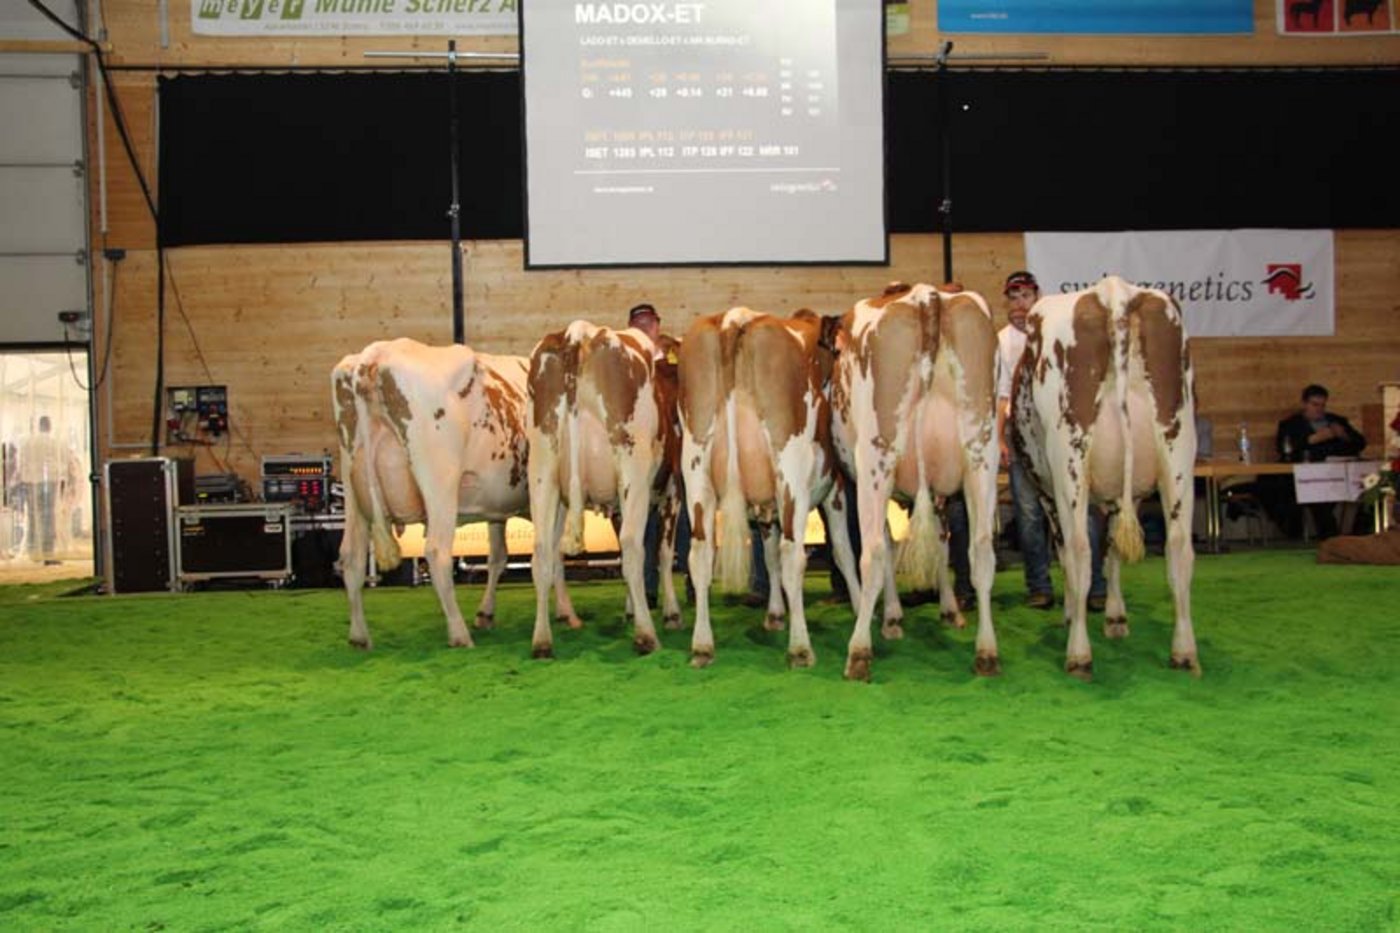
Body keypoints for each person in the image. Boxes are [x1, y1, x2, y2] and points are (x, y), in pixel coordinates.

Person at [995, 271, 1106, 611]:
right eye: (1013, 299)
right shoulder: (1001, 342)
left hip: (1066, 437)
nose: (1019, 305)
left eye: (1025, 296)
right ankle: (1039, 586)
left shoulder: (1060, 329)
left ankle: (1094, 584)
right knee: (1028, 517)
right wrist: (1000, 437)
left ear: (1038, 296)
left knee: (1082, 510)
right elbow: (1001, 396)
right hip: (1021, 440)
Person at [620, 303, 691, 605]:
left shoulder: (675, 358)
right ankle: (647, 588)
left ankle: (693, 578)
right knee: (644, 520)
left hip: (678, 451)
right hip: (642, 454)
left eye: (649, 322)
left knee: (685, 518)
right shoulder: (625, 363)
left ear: (657, 326)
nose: (647, 327)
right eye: (640, 322)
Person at [1275, 383, 1367, 539]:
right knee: (1317, 496)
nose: (1319, 409)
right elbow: (1284, 450)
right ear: (1304, 404)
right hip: (1308, 474)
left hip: (1337, 472)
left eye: (1322, 405)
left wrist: (1343, 435)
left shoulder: (1336, 421)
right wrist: (1312, 440)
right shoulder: (1290, 424)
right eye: (1314, 404)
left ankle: (1361, 534)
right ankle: (1331, 537)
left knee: (1367, 490)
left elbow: (1360, 443)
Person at [17, 415, 66, 564]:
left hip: (30, 481)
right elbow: (61, 463)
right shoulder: (54, 443)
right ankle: (47, 551)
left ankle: (33, 549)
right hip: (49, 481)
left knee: (32, 515)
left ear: (39, 426)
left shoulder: (27, 443)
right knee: (48, 516)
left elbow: (22, 462)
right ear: (49, 426)